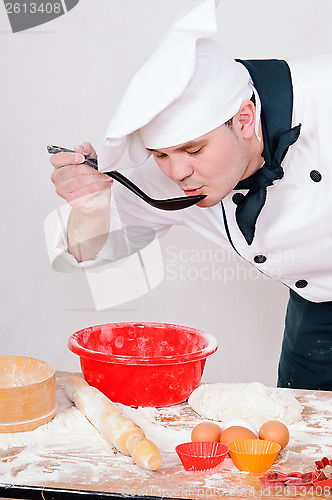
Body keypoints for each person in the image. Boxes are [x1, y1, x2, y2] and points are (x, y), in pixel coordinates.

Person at [49, 0, 332, 391]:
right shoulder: (171, 178)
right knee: (305, 435)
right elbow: (90, 254)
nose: (178, 172)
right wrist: (88, 206)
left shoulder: (325, 93)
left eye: (195, 150)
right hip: (319, 310)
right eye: (161, 154)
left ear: (244, 120)